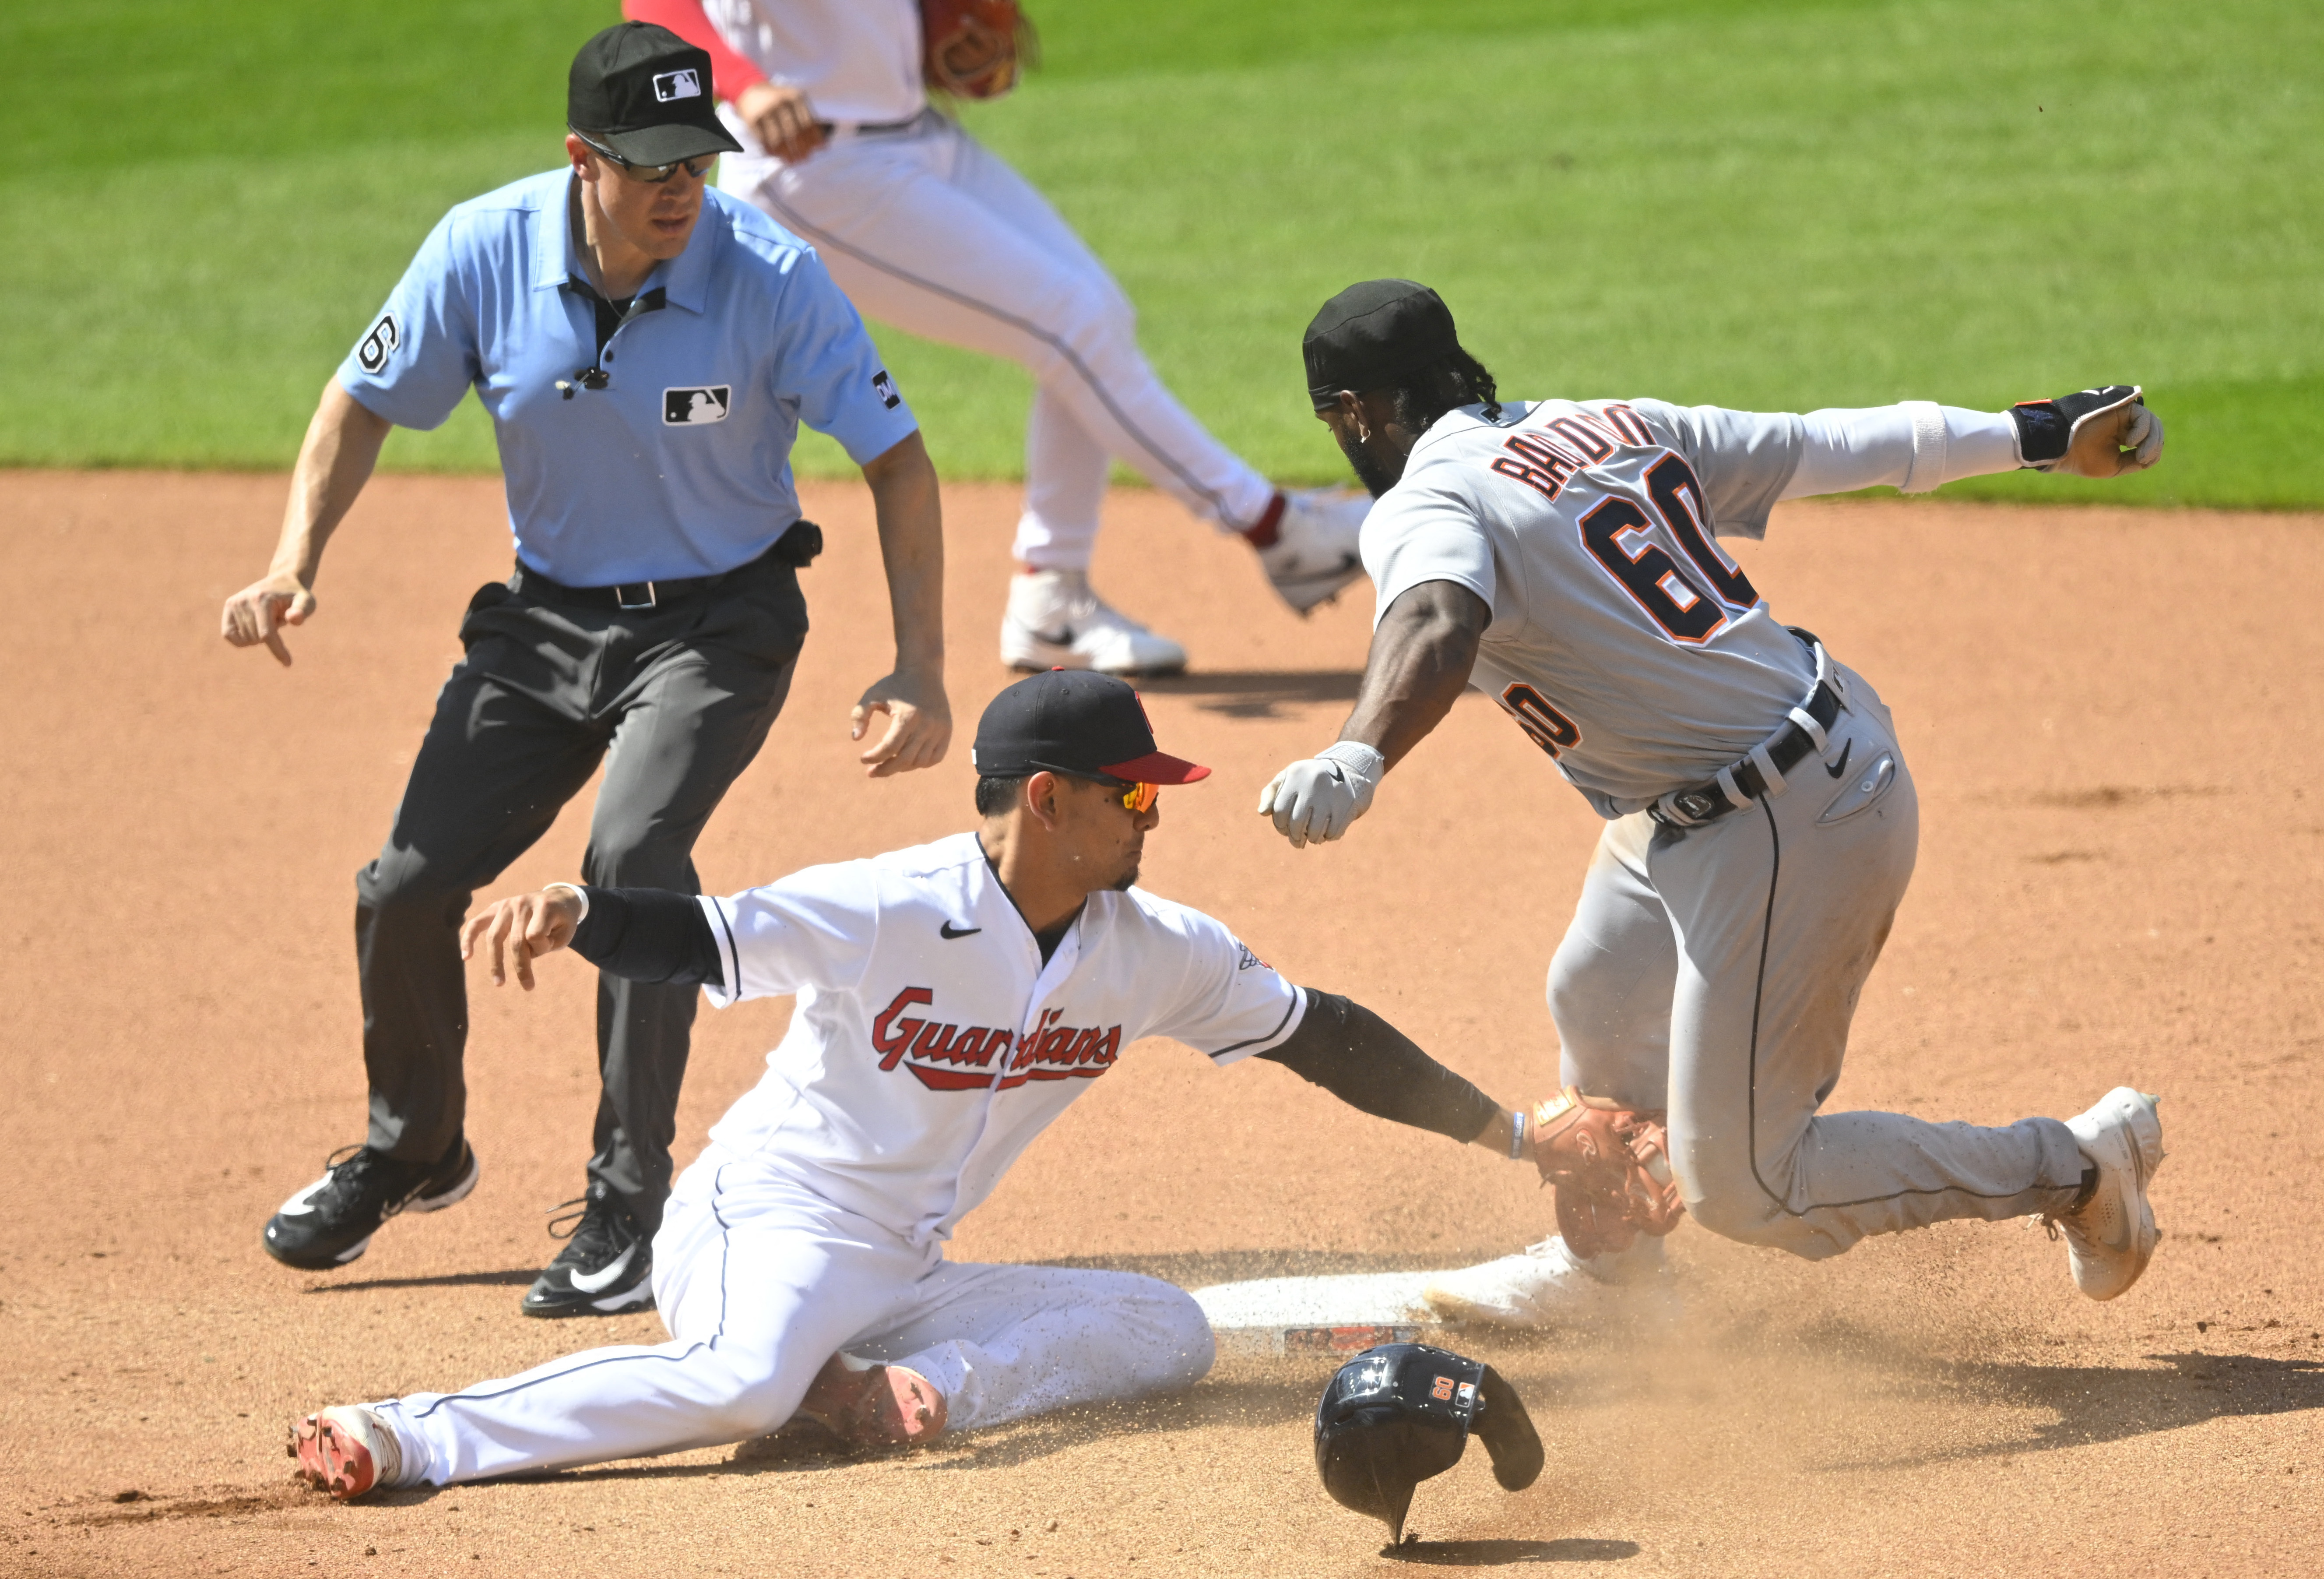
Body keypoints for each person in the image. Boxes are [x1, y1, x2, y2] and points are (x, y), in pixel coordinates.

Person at [285, 670, 1526, 1499]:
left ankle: (890, 1395)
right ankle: (408, 1430)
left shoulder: (1155, 948)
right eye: (1133, 791)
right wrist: (582, 910)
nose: (1154, 816)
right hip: (765, 1221)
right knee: (741, 1380)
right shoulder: (896, 903)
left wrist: (1517, 1134)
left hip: (906, 1274)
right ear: (1049, 798)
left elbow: (1327, 1035)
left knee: (1171, 1327)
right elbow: (707, 934)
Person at [1255, 279, 2172, 1328]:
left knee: (1746, 1184)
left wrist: (1356, 753)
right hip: (1744, 780)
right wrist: (2041, 432)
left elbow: (1432, 617)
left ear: (1356, 412)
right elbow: (1834, 443)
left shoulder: (1425, 501)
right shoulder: (1607, 424)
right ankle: (1617, 1281)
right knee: (1598, 1004)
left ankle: (2078, 1166)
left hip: (1782, 821)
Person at [225, 21, 953, 1320]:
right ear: (583, 159)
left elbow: (897, 458)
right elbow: (360, 400)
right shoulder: (482, 247)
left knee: (631, 868)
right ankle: (415, 1146)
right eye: (655, 161)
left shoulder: (770, 274)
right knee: (404, 884)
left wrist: (919, 664)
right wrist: (295, 559)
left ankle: (630, 1198)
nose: (684, 187)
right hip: (546, 623)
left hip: (719, 622)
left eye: (701, 160)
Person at [619, 0, 1372, 676]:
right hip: (816, 166)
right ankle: (1275, 529)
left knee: (1092, 319)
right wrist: (742, 81)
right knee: (1071, 325)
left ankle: (1052, 596)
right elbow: (655, 3)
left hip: (922, 136)